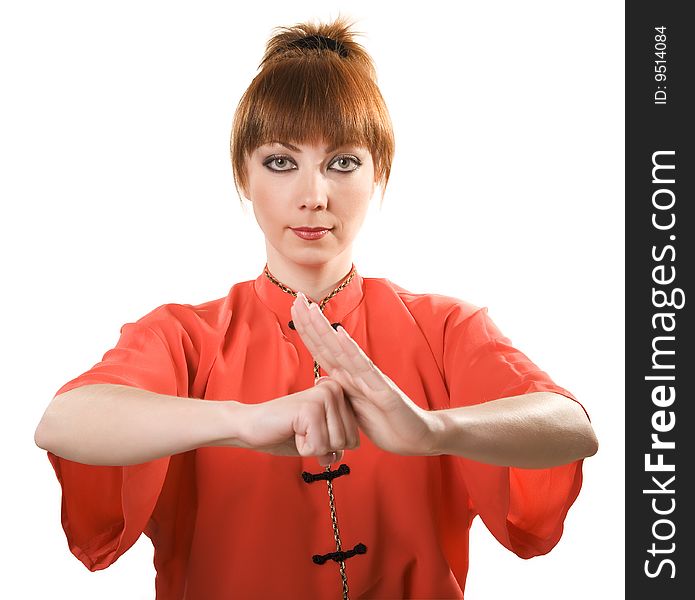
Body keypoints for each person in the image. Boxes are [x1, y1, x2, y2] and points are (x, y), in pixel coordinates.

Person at [34, 16, 598, 600]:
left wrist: (434, 430)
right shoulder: (184, 336)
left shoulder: (444, 328)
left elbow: (572, 426)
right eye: (281, 162)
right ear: (243, 176)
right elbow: (64, 420)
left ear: (379, 173)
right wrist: (243, 423)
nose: (313, 196)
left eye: (343, 162)